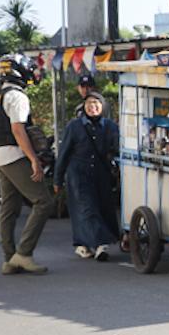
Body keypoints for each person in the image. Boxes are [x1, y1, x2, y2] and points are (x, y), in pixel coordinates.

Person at [0, 55, 52, 275]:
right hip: (15, 155)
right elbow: (18, 130)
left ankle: (9, 259)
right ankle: (24, 254)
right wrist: (34, 159)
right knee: (43, 201)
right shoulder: (17, 96)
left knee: (8, 208)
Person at [54, 93, 120, 261]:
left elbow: (118, 147)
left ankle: (82, 244)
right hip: (78, 174)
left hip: (101, 174)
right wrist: (57, 179)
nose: (93, 107)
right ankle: (100, 245)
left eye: (96, 103)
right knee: (86, 209)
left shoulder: (110, 126)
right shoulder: (74, 126)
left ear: (102, 106)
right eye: (89, 103)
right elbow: (64, 154)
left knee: (103, 208)